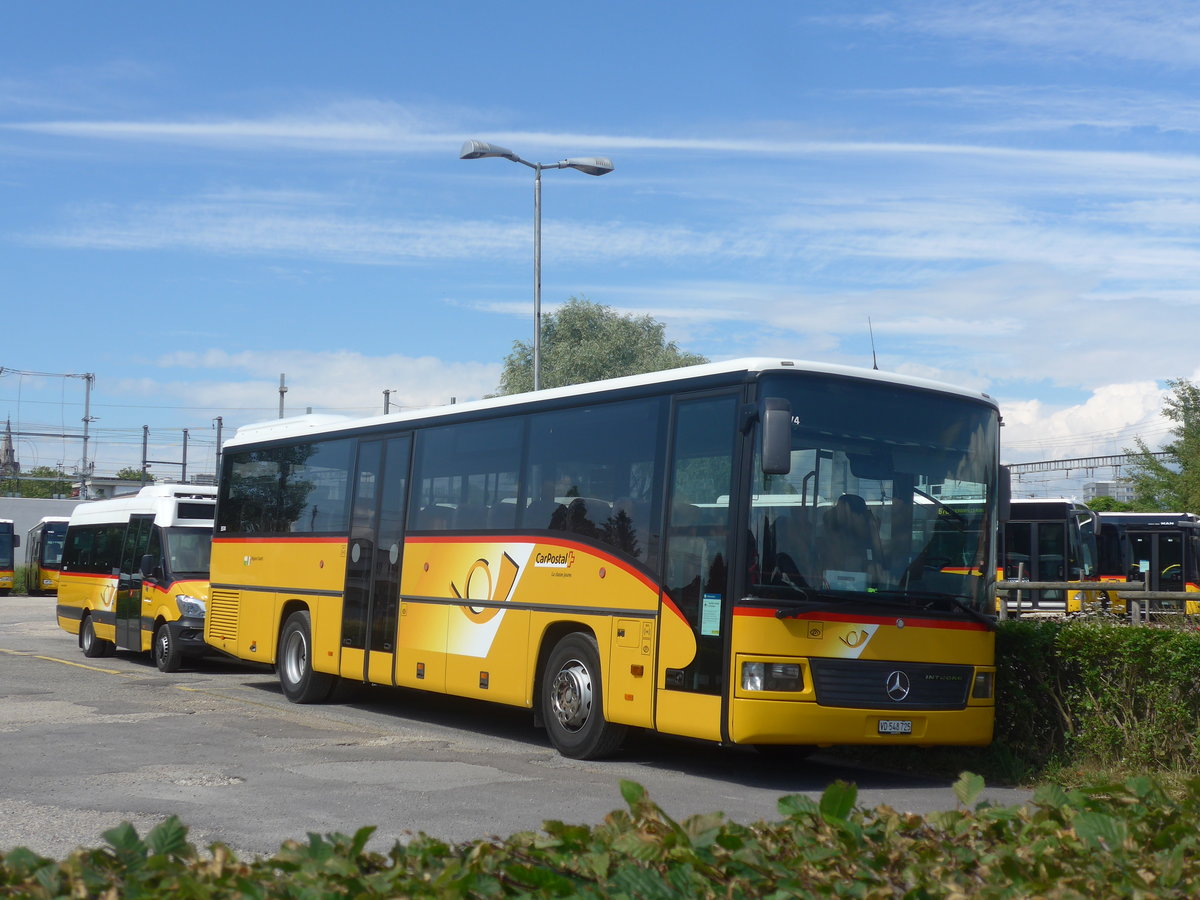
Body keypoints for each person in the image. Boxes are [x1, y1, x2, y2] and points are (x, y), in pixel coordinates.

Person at [821, 494, 884, 588]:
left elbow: (876, 581)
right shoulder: (834, 536)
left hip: (866, 592)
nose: (837, 513)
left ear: (857, 515)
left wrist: (874, 532)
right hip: (831, 591)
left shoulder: (870, 538)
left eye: (841, 509)